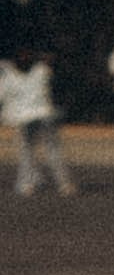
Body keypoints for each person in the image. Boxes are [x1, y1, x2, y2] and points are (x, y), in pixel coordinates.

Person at [6, 51, 75, 197]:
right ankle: (63, 184)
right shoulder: (41, 71)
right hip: (41, 115)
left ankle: (28, 183)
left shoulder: (13, 76)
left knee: (29, 152)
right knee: (49, 151)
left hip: (32, 117)